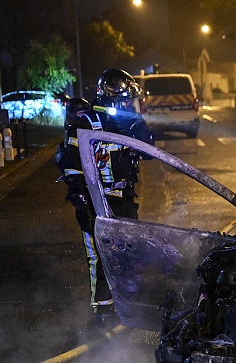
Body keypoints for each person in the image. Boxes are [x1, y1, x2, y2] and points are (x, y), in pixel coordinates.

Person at [58, 68, 154, 316]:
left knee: (130, 250)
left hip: (124, 197)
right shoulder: (85, 123)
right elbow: (72, 164)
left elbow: (148, 152)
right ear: (112, 98)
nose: (129, 105)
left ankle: (129, 302)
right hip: (95, 200)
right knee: (99, 255)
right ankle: (102, 308)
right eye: (125, 100)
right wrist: (80, 201)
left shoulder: (129, 122)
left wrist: (139, 124)